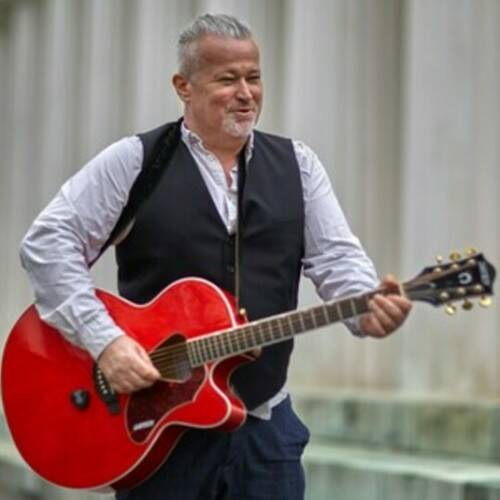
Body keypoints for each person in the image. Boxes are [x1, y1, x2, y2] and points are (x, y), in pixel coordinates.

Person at [20, 13, 412, 500]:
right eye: (227, 79)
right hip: (158, 433)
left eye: (254, 77)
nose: (246, 93)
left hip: (264, 432)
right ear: (183, 86)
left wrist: (366, 308)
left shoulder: (299, 165)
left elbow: (338, 260)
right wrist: (106, 342)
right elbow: (47, 243)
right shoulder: (136, 161)